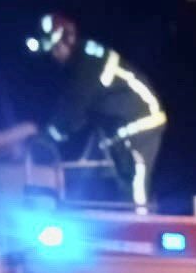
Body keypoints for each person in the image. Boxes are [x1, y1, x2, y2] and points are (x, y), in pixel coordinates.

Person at [26, 13, 166, 210]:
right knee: (121, 182)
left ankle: (139, 227)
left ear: (69, 38)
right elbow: (80, 111)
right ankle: (129, 222)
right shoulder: (80, 63)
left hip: (139, 121)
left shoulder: (88, 61)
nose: (55, 55)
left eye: (57, 48)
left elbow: (74, 106)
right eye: (51, 51)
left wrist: (49, 137)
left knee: (135, 182)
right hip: (118, 128)